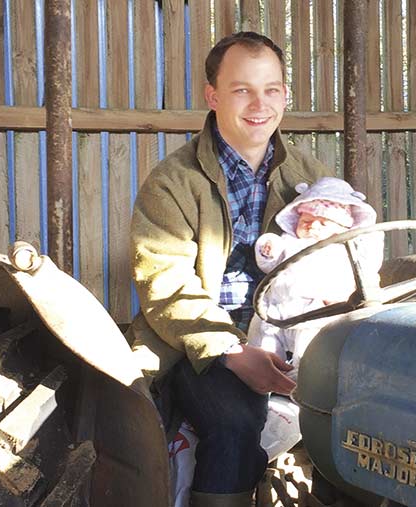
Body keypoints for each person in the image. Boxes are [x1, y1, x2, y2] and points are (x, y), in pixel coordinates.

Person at [128, 31, 332, 506]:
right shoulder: (173, 182)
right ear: (213, 95)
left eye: (272, 89)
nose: (260, 104)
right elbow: (165, 285)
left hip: (292, 333)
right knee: (236, 422)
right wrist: (232, 352)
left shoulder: (309, 174)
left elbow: (335, 254)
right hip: (201, 344)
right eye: (242, 89)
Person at [248, 176, 381, 382]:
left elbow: (366, 268)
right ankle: (264, 376)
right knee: (261, 332)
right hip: (277, 308)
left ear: (340, 229)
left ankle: (304, 381)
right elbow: (269, 265)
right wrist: (268, 249)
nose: (312, 227)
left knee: (311, 345)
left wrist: (346, 294)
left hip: (317, 309)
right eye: (306, 221)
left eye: (322, 223)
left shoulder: (342, 249)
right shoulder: (289, 242)